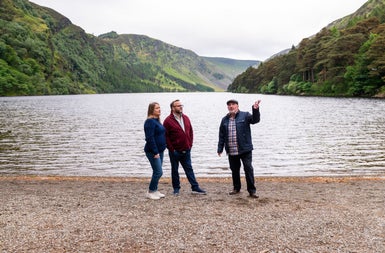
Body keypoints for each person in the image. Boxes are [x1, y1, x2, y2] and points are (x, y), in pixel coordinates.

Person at [217, 99, 261, 198]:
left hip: (245, 149)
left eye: (233, 104)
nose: (231, 106)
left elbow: (255, 120)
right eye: (229, 105)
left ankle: (252, 191)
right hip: (231, 150)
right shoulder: (224, 120)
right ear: (227, 107)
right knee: (235, 170)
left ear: (237, 106)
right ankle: (236, 188)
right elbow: (222, 135)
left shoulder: (245, 115)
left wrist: (255, 109)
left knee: (248, 169)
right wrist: (220, 148)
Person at [163, 99, 206, 196]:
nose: (180, 107)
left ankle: (195, 187)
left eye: (181, 105)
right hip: (175, 151)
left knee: (189, 169)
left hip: (186, 149)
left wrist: (190, 144)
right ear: (172, 108)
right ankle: (176, 189)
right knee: (175, 170)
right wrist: (171, 149)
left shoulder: (186, 118)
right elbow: (166, 136)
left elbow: (191, 131)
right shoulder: (168, 121)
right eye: (178, 106)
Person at [144, 102, 167, 200]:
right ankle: (150, 191)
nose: (159, 109)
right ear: (152, 110)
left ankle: (155, 190)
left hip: (160, 150)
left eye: (159, 107)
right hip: (153, 151)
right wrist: (155, 152)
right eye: (157, 108)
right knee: (158, 172)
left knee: (156, 171)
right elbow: (149, 138)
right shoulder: (149, 122)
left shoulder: (157, 121)